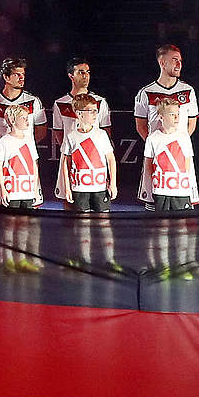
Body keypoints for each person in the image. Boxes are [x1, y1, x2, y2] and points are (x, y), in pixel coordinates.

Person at [134, 45, 199, 207]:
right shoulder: (146, 92)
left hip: (180, 158)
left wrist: (177, 145)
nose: (179, 64)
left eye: (180, 61)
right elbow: (140, 125)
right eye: (174, 60)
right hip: (157, 160)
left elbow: (192, 123)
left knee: (184, 214)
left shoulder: (188, 90)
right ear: (162, 63)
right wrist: (158, 146)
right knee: (155, 212)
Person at [61, 94, 120, 270]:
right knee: (83, 224)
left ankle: (110, 259)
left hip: (100, 187)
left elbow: (111, 160)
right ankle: (85, 259)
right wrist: (67, 187)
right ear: (79, 114)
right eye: (91, 111)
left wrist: (113, 183)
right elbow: (65, 162)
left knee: (104, 223)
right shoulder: (71, 136)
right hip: (80, 187)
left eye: (96, 111)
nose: (95, 114)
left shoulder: (101, 134)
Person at [0, 57, 48, 205]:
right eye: (17, 74)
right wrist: (3, 148)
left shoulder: (33, 101)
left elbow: (42, 130)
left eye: (23, 74)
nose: (22, 78)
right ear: (6, 77)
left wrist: (23, 147)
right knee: (1, 205)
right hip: (2, 163)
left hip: (27, 163)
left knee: (32, 206)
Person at [143, 98, 199, 278]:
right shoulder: (153, 138)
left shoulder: (184, 137)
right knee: (163, 229)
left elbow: (189, 166)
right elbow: (148, 166)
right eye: (172, 114)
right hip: (161, 191)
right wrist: (150, 190)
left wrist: (190, 191)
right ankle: (164, 266)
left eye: (178, 114)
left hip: (181, 192)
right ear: (161, 116)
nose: (176, 117)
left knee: (182, 229)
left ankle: (182, 265)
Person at [0, 105, 44, 272]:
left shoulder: (29, 140)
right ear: (13, 121)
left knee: (24, 224)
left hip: (27, 189)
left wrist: (35, 188)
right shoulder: (5, 141)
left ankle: (21, 259)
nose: (27, 120)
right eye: (23, 117)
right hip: (12, 189)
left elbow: (34, 165)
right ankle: (8, 259)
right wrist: (3, 190)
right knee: (9, 225)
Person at [52, 58, 112, 201]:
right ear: (71, 75)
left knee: (99, 209)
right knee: (69, 202)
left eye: (87, 72)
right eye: (81, 72)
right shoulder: (60, 103)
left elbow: (106, 132)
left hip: (95, 164)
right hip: (71, 161)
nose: (85, 75)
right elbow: (58, 133)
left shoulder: (100, 102)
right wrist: (72, 151)